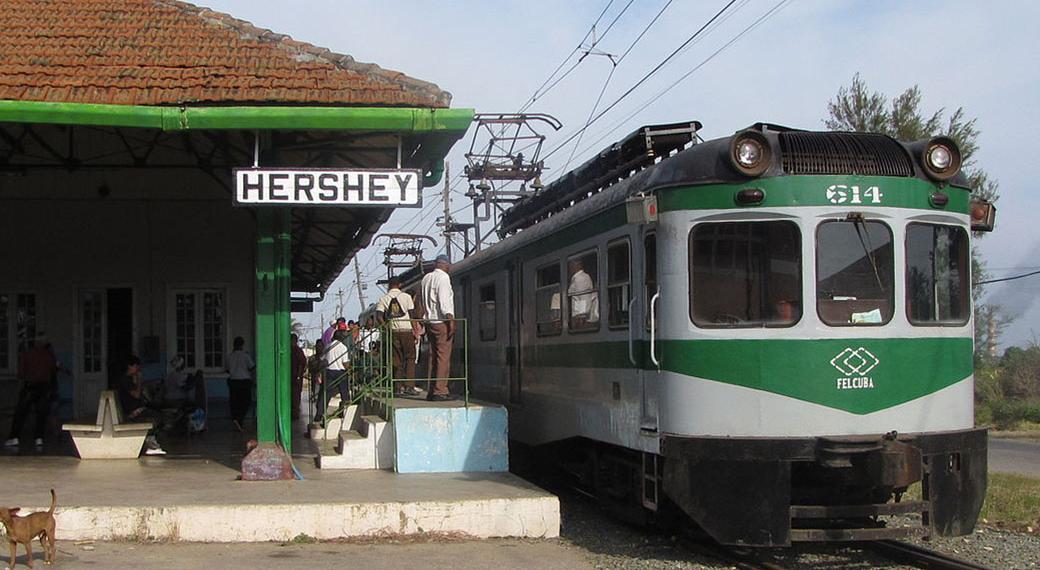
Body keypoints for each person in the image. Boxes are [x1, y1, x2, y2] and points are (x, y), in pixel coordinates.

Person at [4, 334, 59, 448]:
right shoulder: (49, 355)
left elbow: (21, 373)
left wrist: (21, 384)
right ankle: (39, 438)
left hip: (30, 386)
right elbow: (53, 369)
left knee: (21, 413)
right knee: (41, 413)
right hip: (44, 387)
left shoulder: (28, 353)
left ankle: (14, 437)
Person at [416, 254, 455, 401]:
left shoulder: (426, 278)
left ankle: (431, 390)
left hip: (429, 322)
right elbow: (444, 302)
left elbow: (420, 301)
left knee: (433, 356)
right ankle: (440, 391)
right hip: (440, 322)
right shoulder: (443, 278)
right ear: (445, 265)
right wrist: (451, 320)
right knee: (443, 357)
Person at [376, 277, 422, 396]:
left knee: (396, 360)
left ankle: (397, 388)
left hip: (393, 332)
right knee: (410, 358)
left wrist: (386, 327)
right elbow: (412, 315)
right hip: (407, 331)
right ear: (400, 285)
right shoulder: (406, 297)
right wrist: (415, 331)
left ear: (389, 285)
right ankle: (409, 386)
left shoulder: (383, 298)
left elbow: (379, 316)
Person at [116, 355, 165, 455]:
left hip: (138, 408)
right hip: (132, 411)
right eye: (136, 366)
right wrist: (138, 380)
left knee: (159, 414)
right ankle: (150, 443)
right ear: (130, 366)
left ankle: (151, 441)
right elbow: (137, 395)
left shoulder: (130, 379)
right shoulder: (125, 380)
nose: (138, 369)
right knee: (155, 418)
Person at [225, 336, 256, 432]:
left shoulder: (229, 356)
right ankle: (240, 418)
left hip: (233, 381)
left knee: (235, 402)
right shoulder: (245, 356)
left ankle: (235, 418)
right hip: (244, 381)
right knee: (246, 401)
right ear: (242, 345)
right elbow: (252, 367)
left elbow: (227, 370)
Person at [323, 329, 351, 412]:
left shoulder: (328, 346)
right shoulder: (343, 347)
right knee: (344, 391)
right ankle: (345, 406)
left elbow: (324, 359)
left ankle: (321, 412)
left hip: (329, 371)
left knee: (327, 393)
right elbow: (345, 363)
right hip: (340, 372)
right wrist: (349, 368)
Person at [568, 258, 599, 328]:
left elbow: (584, 298)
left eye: (571, 264)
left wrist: (581, 317)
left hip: (581, 321)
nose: (570, 267)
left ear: (578, 265)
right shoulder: (577, 278)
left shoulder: (581, 278)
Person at [290, 333, 307, 421]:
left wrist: (298, 376)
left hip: (295, 377)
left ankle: (295, 413)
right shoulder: (289, 350)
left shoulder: (298, 351)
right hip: (291, 377)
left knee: (295, 396)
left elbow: (302, 364)